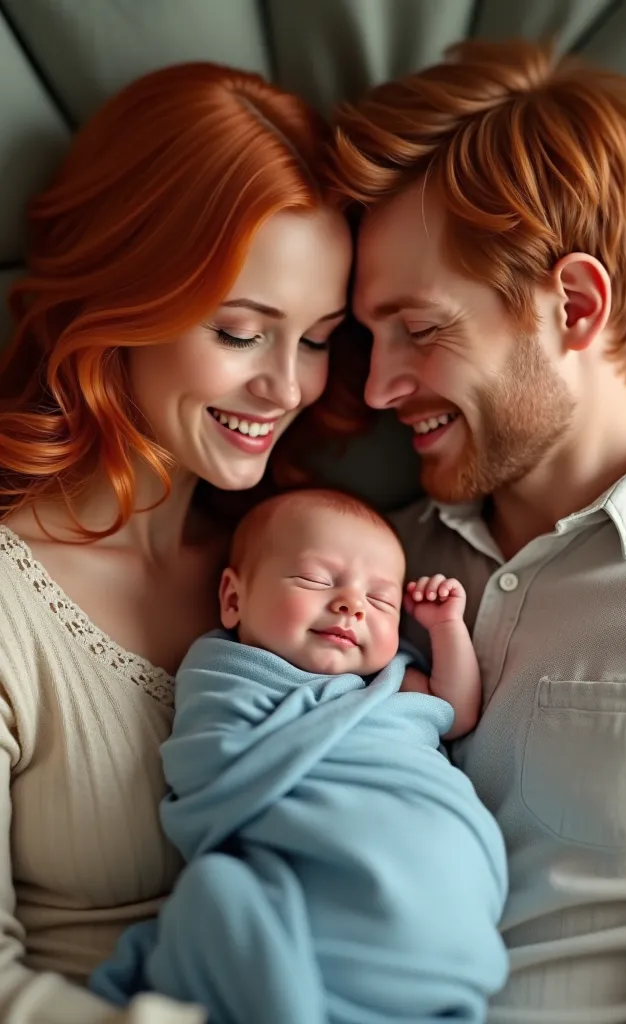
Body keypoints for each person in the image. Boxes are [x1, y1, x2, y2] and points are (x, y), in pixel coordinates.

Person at [329, 36, 626, 1024]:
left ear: (573, 305)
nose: (376, 388)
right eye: (366, 336)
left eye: (421, 328)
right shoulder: (359, 562)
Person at [0, 61, 368, 1023]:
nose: (289, 387)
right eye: (242, 333)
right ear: (124, 297)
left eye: (320, 336)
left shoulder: (316, 564)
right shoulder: (11, 608)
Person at [90, 487, 508, 1024]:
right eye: (316, 580)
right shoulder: (225, 674)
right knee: (216, 896)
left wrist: (446, 628)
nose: (351, 604)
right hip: (322, 882)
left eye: (380, 600)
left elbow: (459, 710)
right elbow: (214, 765)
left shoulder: (397, 679)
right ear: (234, 600)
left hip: (444, 895)